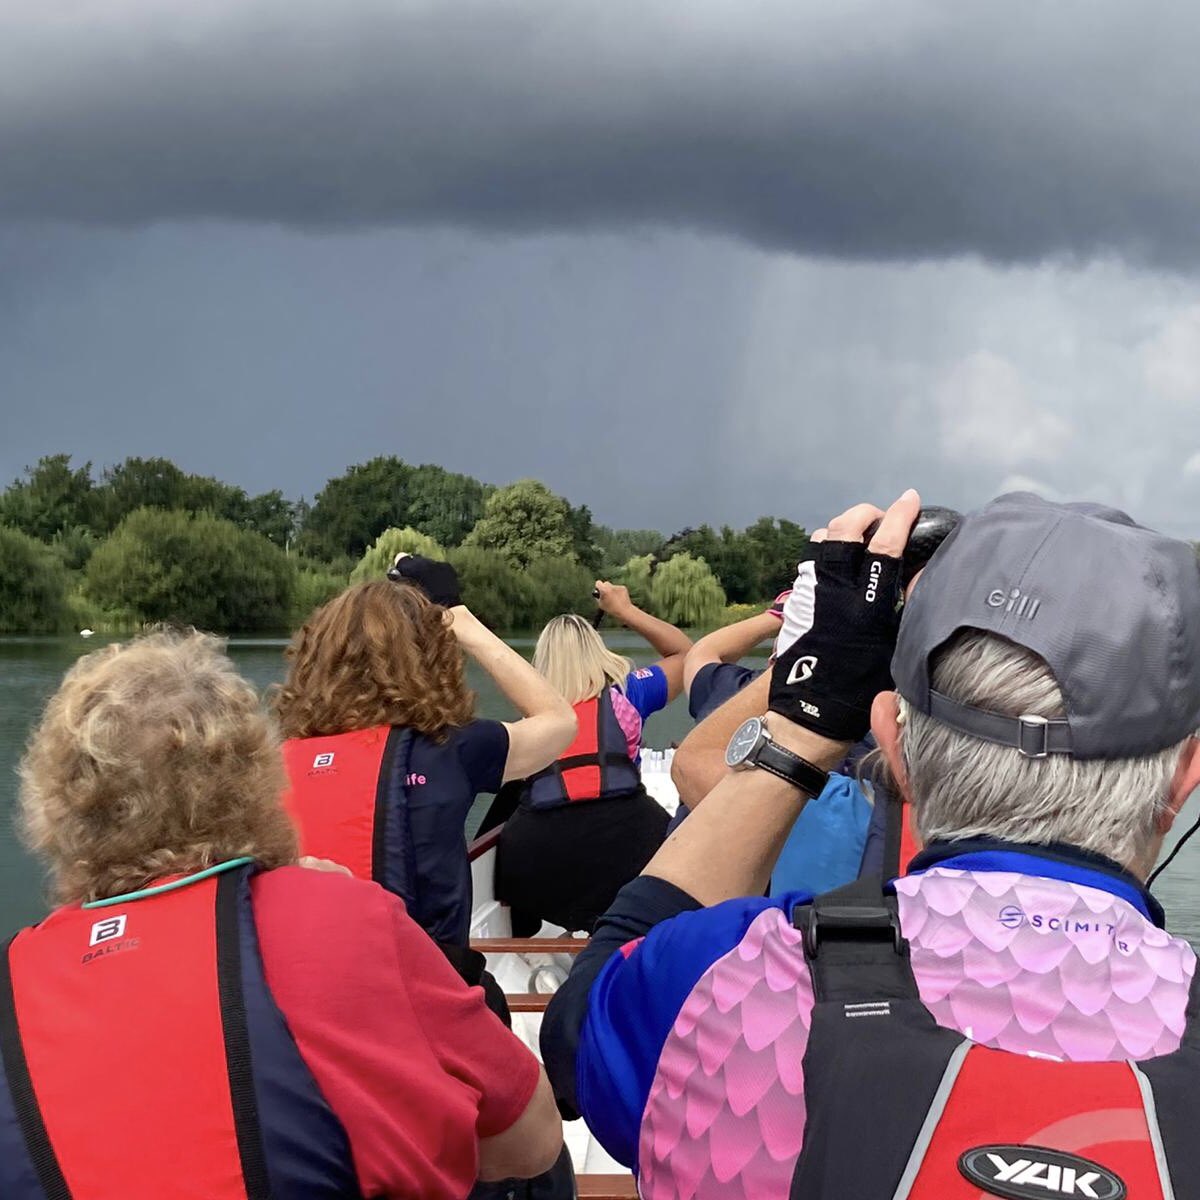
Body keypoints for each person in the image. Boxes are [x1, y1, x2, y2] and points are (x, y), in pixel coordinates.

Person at [543, 490, 1200, 1199]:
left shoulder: (715, 975)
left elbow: (576, 1036)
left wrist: (805, 724)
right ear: (1187, 774)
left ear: (892, 741)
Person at [5, 630, 562, 1200]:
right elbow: (532, 1140)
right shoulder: (336, 914)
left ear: (55, 806)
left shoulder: (16, 973)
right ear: (253, 780)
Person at [276, 569, 576, 951]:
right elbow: (560, 722)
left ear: (313, 659)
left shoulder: (272, 765)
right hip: (428, 990)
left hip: (312, 987)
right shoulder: (452, 749)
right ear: (432, 655)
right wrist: (465, 623)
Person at [495, 583, 692, 934]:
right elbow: (684, 654)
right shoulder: (631, 693)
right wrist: (625, 611)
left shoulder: (530, 713)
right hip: (627, 840)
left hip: (540, 852)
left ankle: (533, 944)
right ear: (596, 651)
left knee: (514, 861)